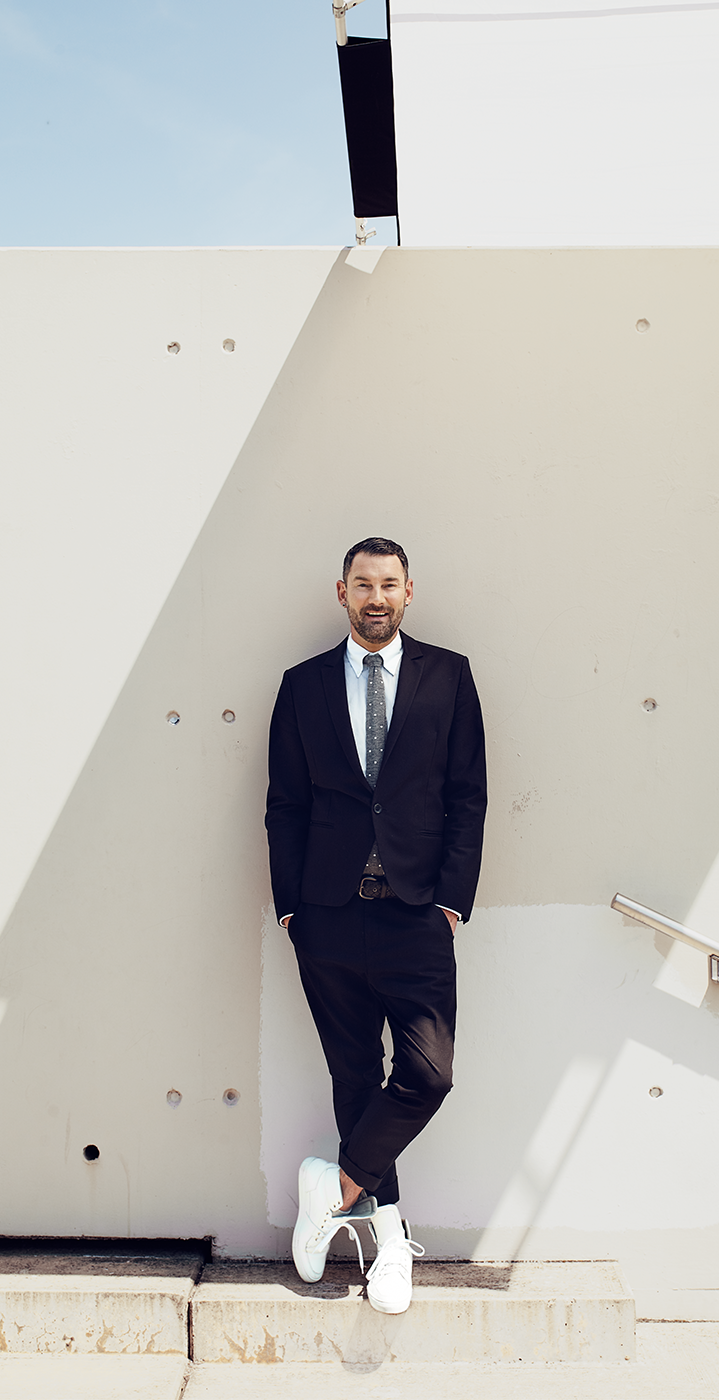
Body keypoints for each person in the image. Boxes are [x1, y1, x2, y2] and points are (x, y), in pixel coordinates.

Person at [265, 537, 487, 1314]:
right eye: (363, 585)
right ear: (341, 592)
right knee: (354, 1077)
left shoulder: (449, 677)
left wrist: (452, 900)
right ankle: (390, 1245)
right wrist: (290, 906)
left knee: (428, 1074)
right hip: (326, 915)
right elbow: (285, 804)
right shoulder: (301, 686)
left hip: (417, 912)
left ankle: (333, 1187)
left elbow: (468, 795)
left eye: (389, 584)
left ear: (409, 591)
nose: (376, 597)